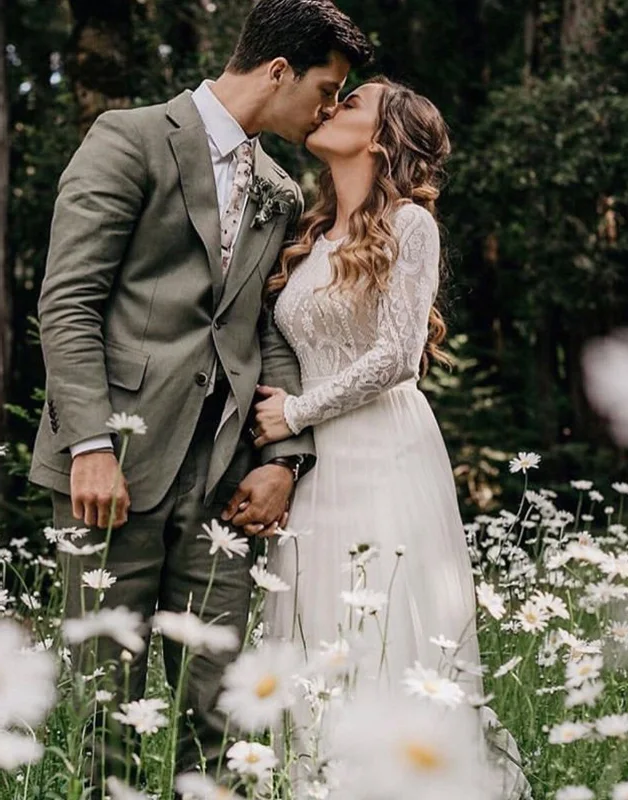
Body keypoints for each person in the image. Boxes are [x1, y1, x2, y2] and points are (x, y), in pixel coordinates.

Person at [28, 0, 372, 790]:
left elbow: (267, 330)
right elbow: (70, 301)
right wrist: (89, 443)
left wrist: (283, 456)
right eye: (325, 89)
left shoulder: (280, 190)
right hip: (113, 469)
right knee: (102, 705)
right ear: (278, 70)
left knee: (219, 711)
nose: (328, 109)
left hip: (221, 483)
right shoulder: (129, 139)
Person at [253, 76, 531, 798]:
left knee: (378, 618)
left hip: (382, 449)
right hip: (317, 462)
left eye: (351, 102)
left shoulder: (411, 225)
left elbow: (398, 354)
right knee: (316, 620)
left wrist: (297, 412)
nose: (331, 105)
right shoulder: (310, 234)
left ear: (381, 138)